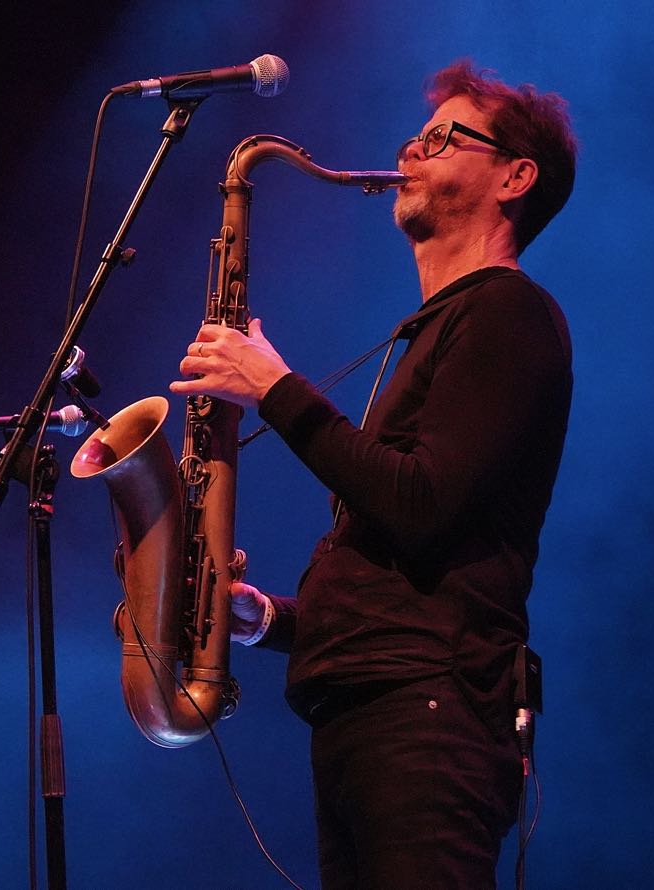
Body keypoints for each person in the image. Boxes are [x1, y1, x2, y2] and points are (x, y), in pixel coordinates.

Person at [169, 60, 578, 889]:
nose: (411, 151)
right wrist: (267, 620)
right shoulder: (439, 327)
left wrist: (274, 389)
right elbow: (411, 570)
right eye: (416, 138)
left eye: (443, 138)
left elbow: (419, 504)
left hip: (428, 714)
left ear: (515, 177)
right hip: (372, 709)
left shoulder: (509, 312)